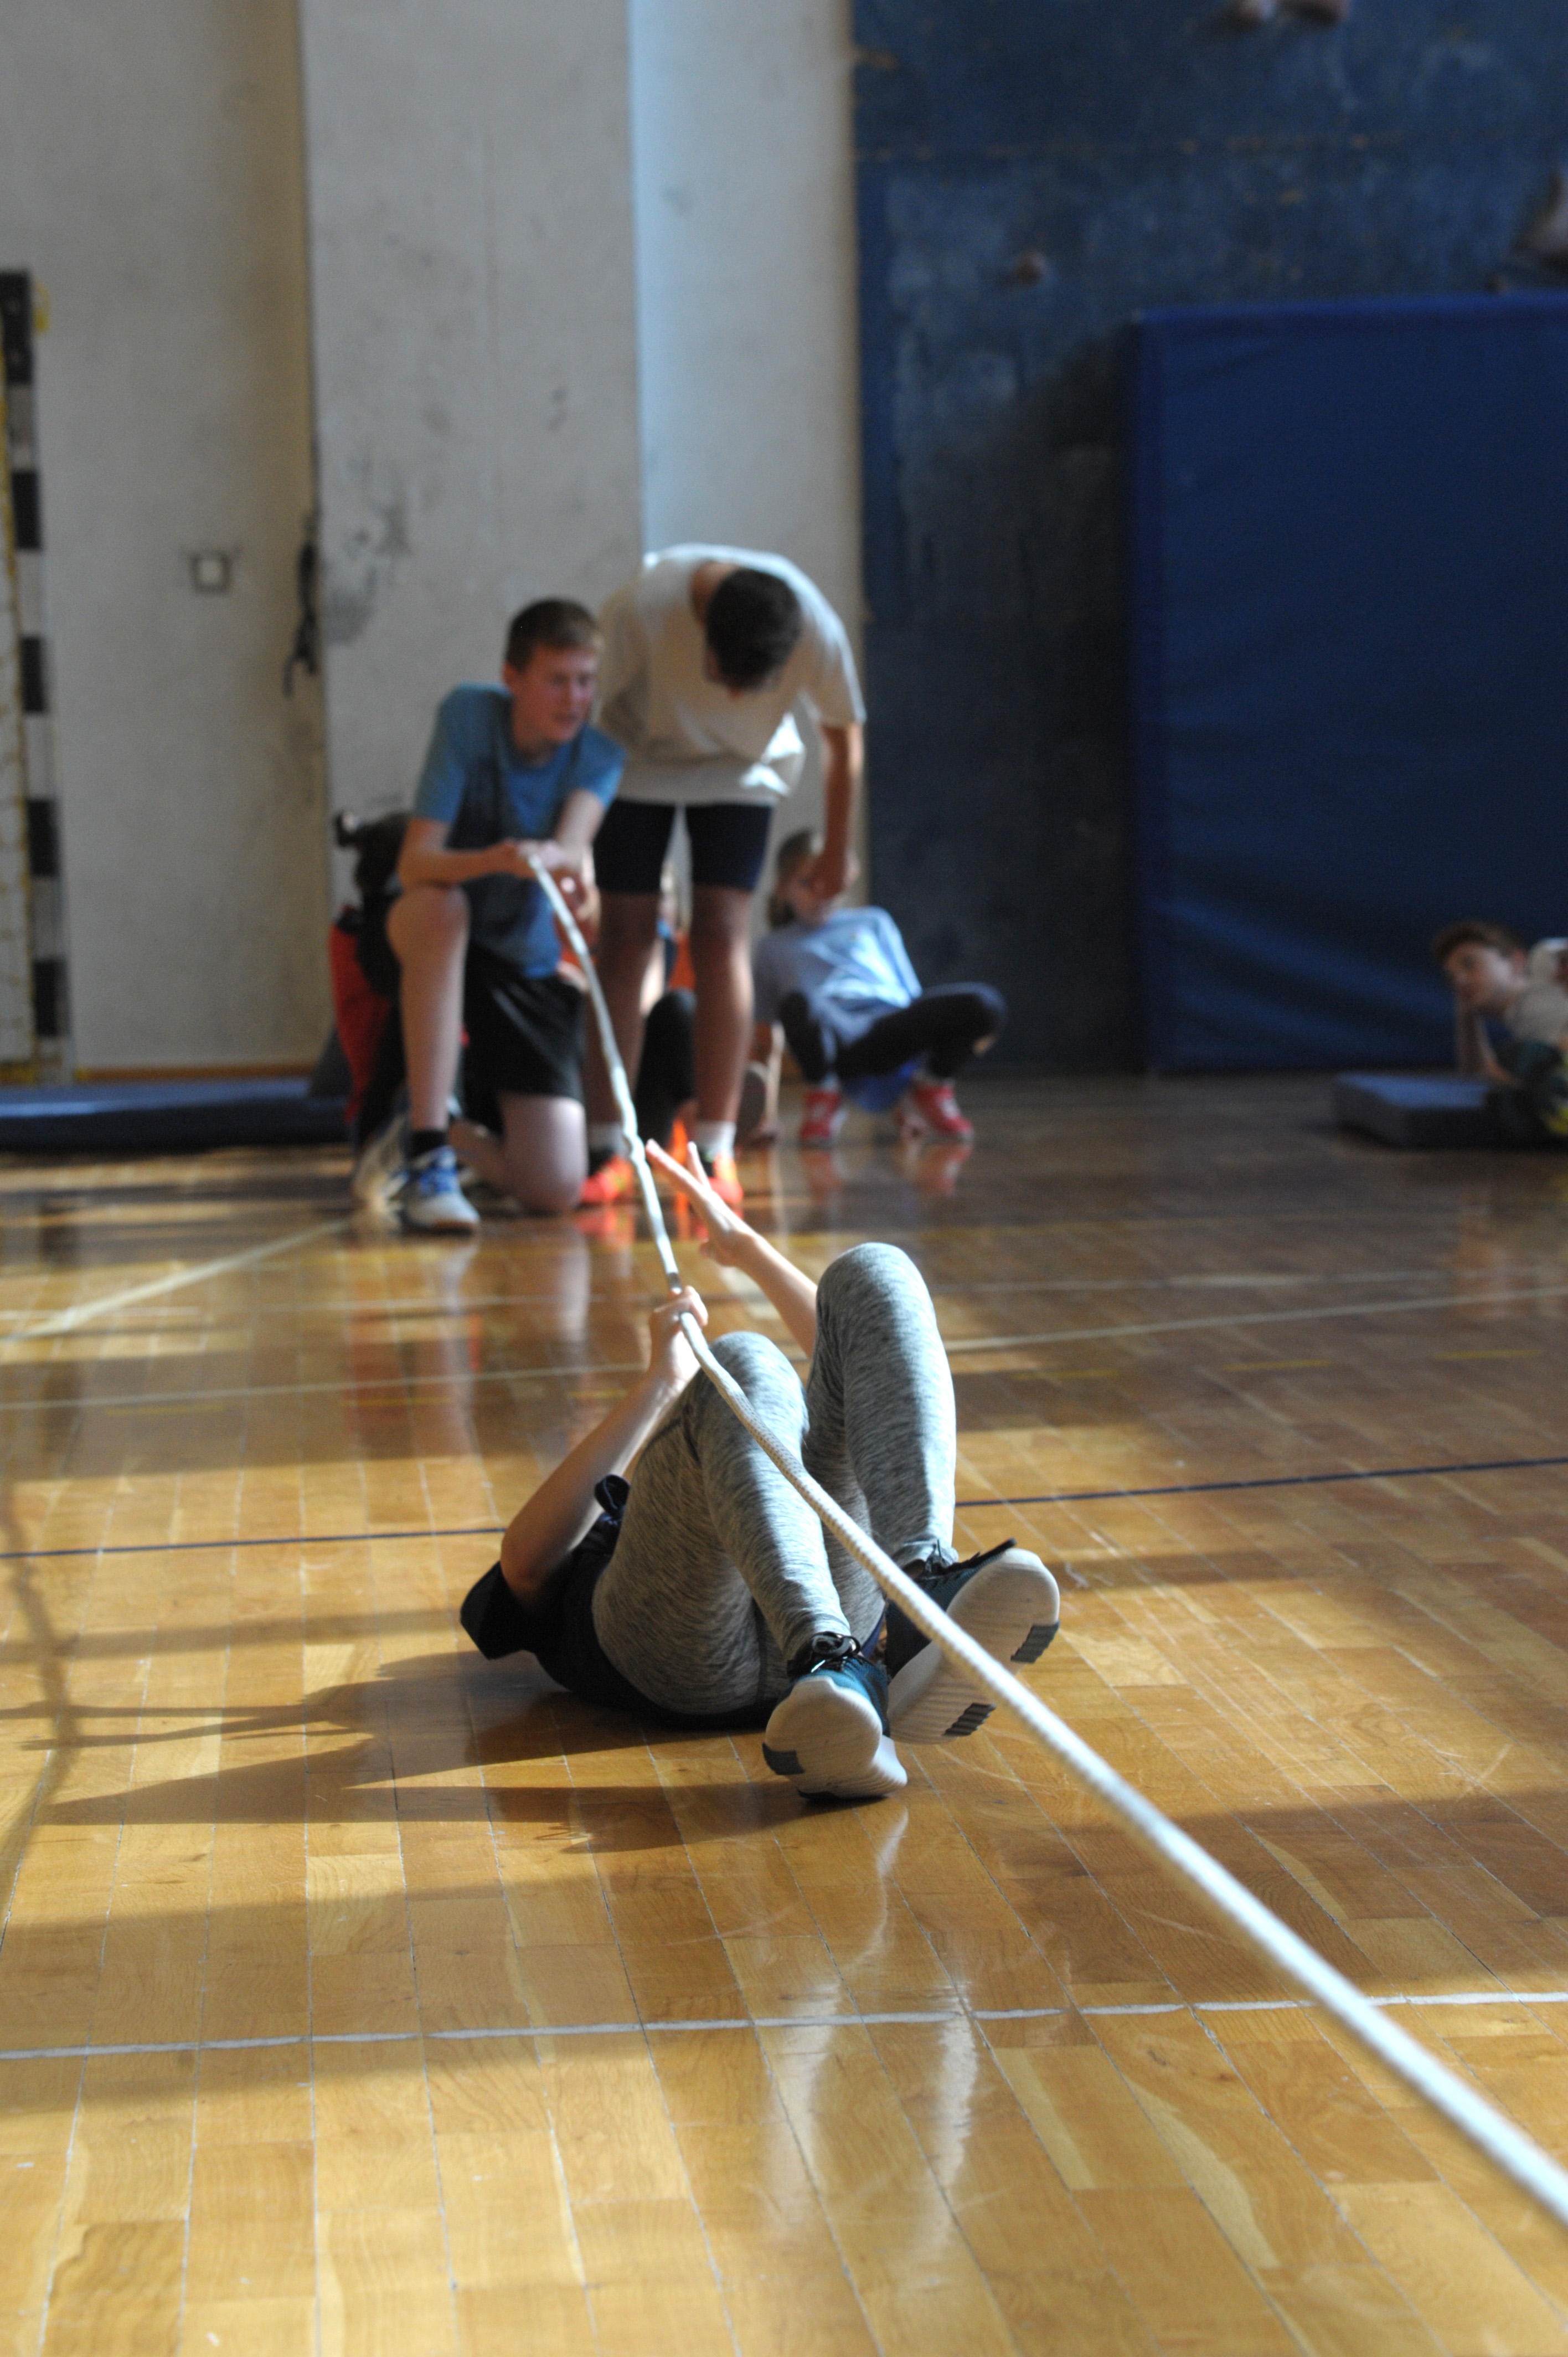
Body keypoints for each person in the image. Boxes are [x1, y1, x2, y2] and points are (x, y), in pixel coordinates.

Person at [460, 1147, 1060, 1801]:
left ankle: (919, 1592)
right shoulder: (624, 1526)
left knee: (875, 1272)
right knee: (745, 1360)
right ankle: (824, 1654)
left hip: (844, 1638)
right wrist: (663, 1382)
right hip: (676, 1652)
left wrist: (745, 1248)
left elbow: (858, 1359)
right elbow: (525, 1563)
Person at [580, 546, 866, 1209]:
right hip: (635, 760)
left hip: (742, 771)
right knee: (625, 939)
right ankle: (605, 1145)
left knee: (721, 931)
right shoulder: (639, 610)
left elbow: (842, 734)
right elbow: (586, 721)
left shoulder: (815, 626)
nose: (734, 697)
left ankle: (714, 1147)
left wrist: (836, 847)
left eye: (752, 685)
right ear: (703, 630)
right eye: (725, 677)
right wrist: (572, 833)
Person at [356, 600, 625, 1228]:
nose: (575, 698)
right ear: (512, 678)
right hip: (420, 931)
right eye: (557, 680)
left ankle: (437, 1129)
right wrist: (493, 861)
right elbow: (417, 863)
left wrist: (561, 863)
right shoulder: (468, 716)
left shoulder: (601, 754)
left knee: (553, 1187)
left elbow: (572, 844)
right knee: (443, 908)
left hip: (517, 960)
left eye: (585, 681)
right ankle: (428, 1157)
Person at [751, 830, 1008, 1147]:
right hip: (835, 1033)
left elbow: (911, 997)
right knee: (798, 1002)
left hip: (890, 1022)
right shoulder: (772, 947)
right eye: (806, 883)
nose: (820, 894)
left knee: (986, 1005)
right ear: (782, 887)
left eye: (828, 883)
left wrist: (902, 1107)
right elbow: (766, 1038)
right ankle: (824, 1094)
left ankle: (931, 1085)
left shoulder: (873, 922)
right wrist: (764, 1114)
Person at [1433, 919, 1568, 1141]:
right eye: (1451, 977)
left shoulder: (1545, 963)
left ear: (1516, 963)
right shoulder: (1526, 1038)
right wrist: (1467, 1015)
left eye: (1470, 965)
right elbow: (1477, 1072)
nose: (1459, 980)